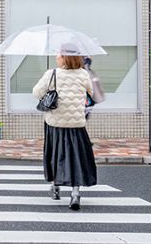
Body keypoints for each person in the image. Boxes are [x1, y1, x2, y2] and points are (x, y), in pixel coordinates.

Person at [33, 41, 99, 210]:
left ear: (64, 57)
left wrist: (50, 84)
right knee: (76, 157)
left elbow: (36, 93)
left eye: (59, 54)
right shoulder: (83, 75)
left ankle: (55, 187)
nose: (56, 56)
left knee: (56, 155)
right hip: (77, 124)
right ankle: (75, 192)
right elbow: (91, 92)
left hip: (55, 123)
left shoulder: (52, 73)